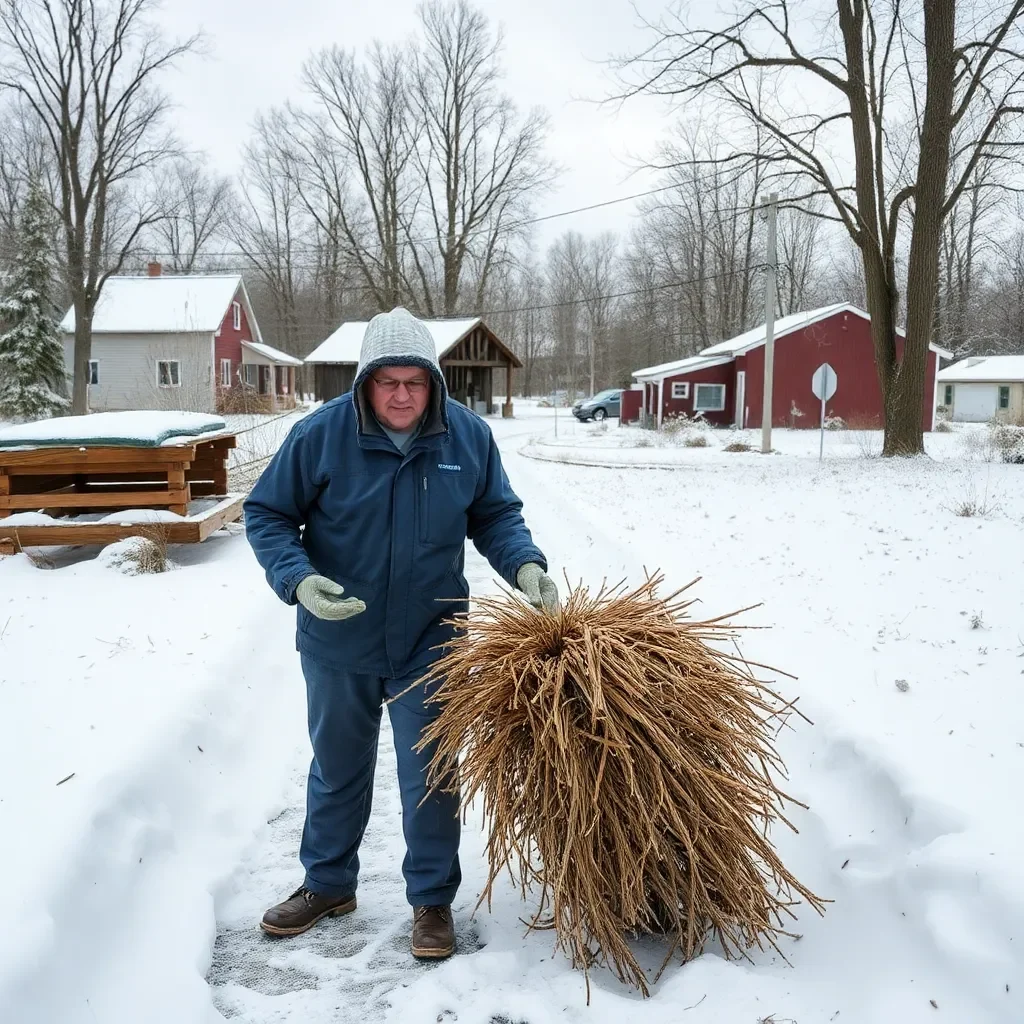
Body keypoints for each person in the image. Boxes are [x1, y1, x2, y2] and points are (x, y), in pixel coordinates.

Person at [243, 307, 559, 961]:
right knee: (337, 769)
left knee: (432, 773)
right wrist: (298, 580)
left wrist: (525, 565)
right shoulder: (320, 436)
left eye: (414, 381)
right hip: (338, 636)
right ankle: (328, 884)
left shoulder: (466, 437)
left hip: (432, 634)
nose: (400, 394)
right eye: (386, 380)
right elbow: (268, 513)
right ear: (364, 382)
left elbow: (495, 513)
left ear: (433, 382)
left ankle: (432, 901)